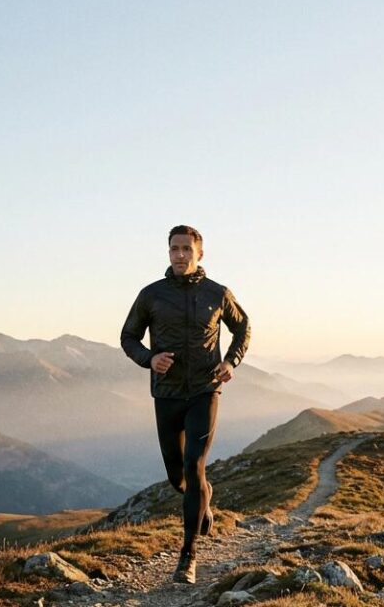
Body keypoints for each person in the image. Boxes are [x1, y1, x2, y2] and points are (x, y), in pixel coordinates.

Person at [120, 224, 250, 584]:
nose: (179, 255)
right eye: (174, 249)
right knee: (178, 478)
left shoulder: (217, 293)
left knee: (194, 465)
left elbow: (243, 327)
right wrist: (150, 359)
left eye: (186, 250)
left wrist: (230, 361)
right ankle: (203, 496)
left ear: (199, 254)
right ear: (169, 252)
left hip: (205, 391)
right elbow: (128, 336)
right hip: (166, 394)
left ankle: (188, 556)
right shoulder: (151, 295)